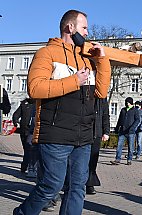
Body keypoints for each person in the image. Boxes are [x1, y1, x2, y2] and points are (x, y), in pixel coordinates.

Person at [13, 9, 110, 215]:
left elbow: (101, 92)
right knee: (51, 185)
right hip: (55, 134)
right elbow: (36, 88)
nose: (87, 33)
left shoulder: (87, 59)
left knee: (77, 187)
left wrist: (102, 61)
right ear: (70, 27)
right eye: (84, 27)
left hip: (82, 136)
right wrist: (74, 81)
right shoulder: (46, 53)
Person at [86, 98, 110, 194]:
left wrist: (106, 131)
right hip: (84, 132)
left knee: (92, 161)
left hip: (96, 133)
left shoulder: (102, 98)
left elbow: (105, 115)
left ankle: (89, 184)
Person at [110, 97, 140, 165]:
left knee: (131, 146)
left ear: (131, 103)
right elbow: (120, 119)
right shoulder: (123, 110)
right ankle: (117, 159)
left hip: (130, 132)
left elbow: (137, 120)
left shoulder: (135, 110)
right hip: (122, 131)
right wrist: (117, 128)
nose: (127, 104)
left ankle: (129, 159)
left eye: (129, 102)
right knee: (119, 145)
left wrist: (132, 128)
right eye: (126, 102)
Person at [12, 98, 35, 173]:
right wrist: (15, 122)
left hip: (27, 130)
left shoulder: (25, 104)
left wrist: (16, 122)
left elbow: (16, 115)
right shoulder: (25, 104)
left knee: (28, 148)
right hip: (27, 130)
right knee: (28, 148)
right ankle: (27, 167)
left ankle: (26, 166)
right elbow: (16, 115)